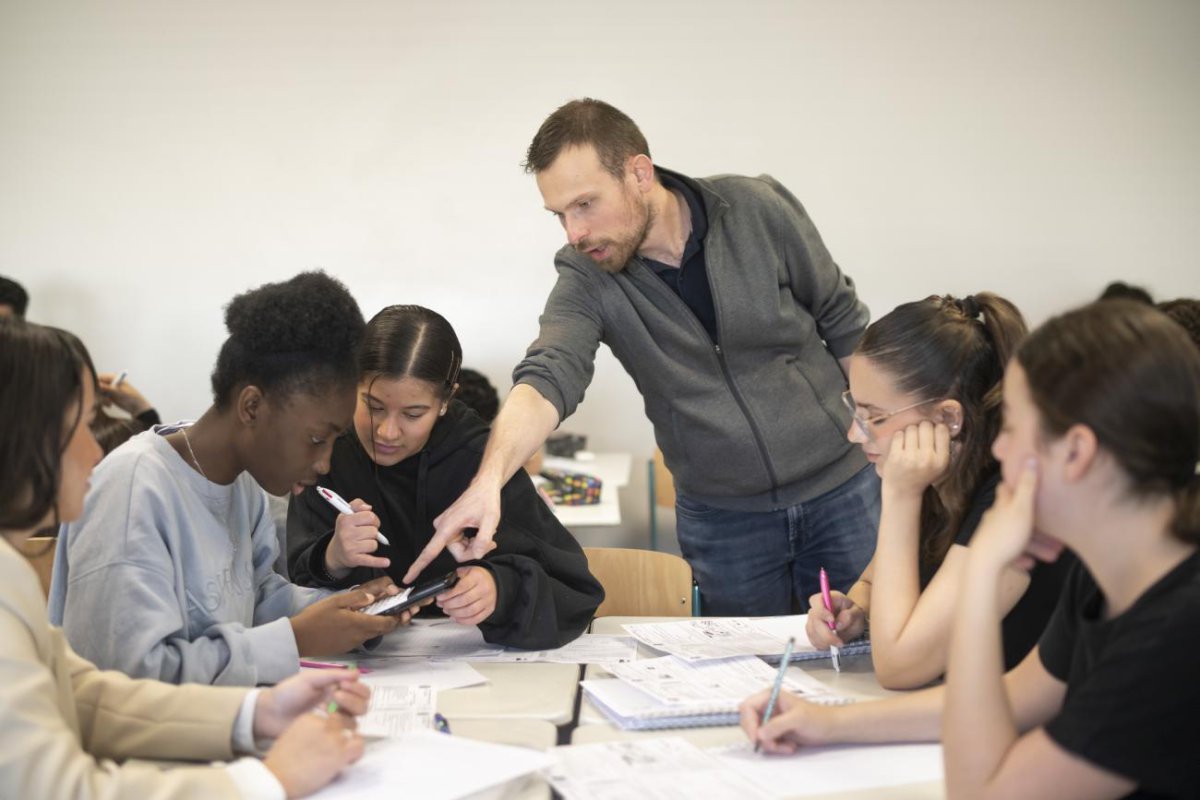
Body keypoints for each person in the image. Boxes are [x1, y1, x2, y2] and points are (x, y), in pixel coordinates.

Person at [413, 98, 879, 616]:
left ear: (638, 173)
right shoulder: (586, 273)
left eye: (585, 204)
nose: (574, 232)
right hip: (724, 521)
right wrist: (488, 482)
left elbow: (842, 321)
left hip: (844, 489)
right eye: (560, 215)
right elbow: (549, 372)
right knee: (748, 680)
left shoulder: (755, 208)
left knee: (867, 659)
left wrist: (881, 433)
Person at [741, 300, 1200, 799]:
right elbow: (1011, 698)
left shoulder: (1174, 628)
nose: (999, 450)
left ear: (1077, 452)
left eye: (1015, 429)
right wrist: (827, 723)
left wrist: (982, 572)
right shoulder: (1107, 577)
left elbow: (982, 791)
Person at [0, 317, 371, 798]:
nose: (96, 451)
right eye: (82, 427)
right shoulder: (130, 483)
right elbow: (54, 787)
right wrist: (264, 782)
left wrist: (255, 714)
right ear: (20, 437)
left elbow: (80, 693)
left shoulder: (10, 572)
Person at [49, 272, 414, 686]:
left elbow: (255, 599)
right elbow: (124, 679)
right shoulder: (133, 489)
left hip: (214, 727)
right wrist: (295, 640)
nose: (325, 463)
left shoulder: (242, 487)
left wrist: (353, 610)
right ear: (252, 407)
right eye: (316, 438)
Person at [287, 305, 604, 649]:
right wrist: (332, 557)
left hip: (470, 664)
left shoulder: (479, 460)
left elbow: (573, 591)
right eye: (373, 406)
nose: (387, 432)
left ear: (445, 401)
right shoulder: (328, 451)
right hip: (357, 671)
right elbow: (286, 591)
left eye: (413, 413)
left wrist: (499, 588)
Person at [806, 293, 1073, 688]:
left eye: (874, 417)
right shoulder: (940, 473)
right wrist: (855, 610)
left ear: (948, 417)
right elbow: (870, 584)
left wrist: (900, 496)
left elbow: (899, 667)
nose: (853, 434)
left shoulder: (1016, 502)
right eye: (854, 411)